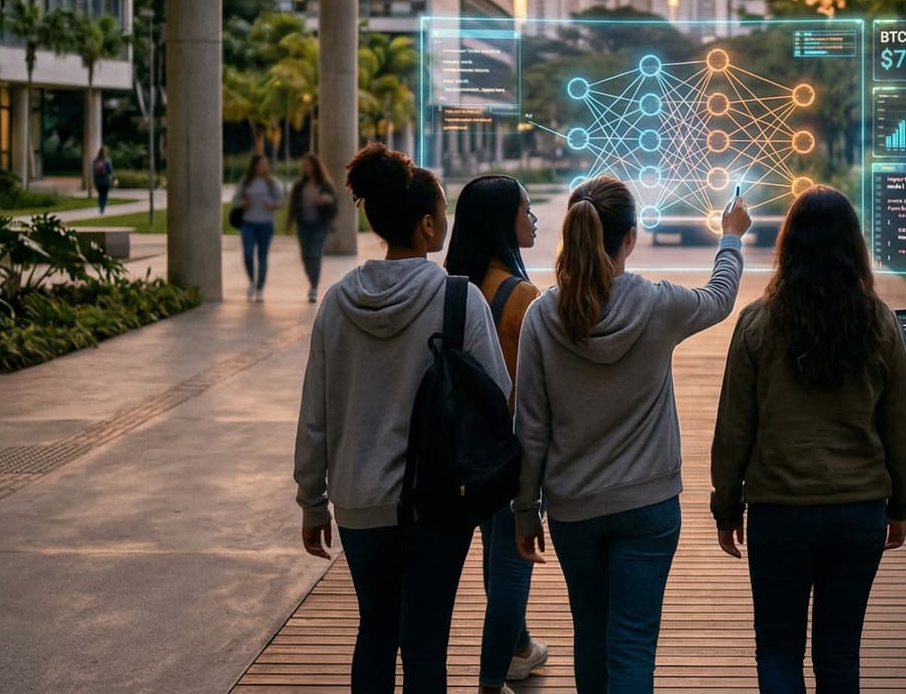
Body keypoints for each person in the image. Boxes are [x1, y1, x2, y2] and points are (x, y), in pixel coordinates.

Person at [513, 177, 750, 694]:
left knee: (590, 637)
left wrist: (525, 510)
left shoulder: (542, 316)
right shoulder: (657, 303)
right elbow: (720, 297)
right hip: (649, 505)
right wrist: (731, 236)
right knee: (633, 645)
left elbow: (530, 427)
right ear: (630, 238)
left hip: (574, 508)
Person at [294, 142, 511, 694]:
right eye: (442, 212)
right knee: (425, 646)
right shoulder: (459, 300)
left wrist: (312, 500)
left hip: (358, 500)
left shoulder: (338, 301)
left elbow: (316, 409)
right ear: (426, 225)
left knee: (374, 631)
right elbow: (498, 397)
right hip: (437, 503)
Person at [709, 186, 906, 694]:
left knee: (778, 648)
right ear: (854, 245)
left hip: (779, 509)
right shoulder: (880, 322)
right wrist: (900, 503)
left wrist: (727, 506)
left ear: (789, 244)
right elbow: (899, 424)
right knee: (840, 651)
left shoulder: (758, 322)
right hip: (859, 508)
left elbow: (734, 427)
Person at [444, 174, 549, 692]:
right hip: (511, 451)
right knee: (511, 566)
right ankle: (492, 679)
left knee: (496, 553)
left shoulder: (451, 289)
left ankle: (520, 646)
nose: (534, 219)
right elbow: (539, 385)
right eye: (526, 211)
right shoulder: (523, 296)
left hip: (462, 448)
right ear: (502, 222)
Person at [287, 153, 339, 304]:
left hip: (320, 224)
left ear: (315, 166)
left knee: (315, 255)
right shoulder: (299, 186)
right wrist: (289, 223)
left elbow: (334, 204)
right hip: (303, 224)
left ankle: (314, 287)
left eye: (307, 165)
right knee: (305, 256)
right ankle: (312, 280)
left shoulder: (326, 185)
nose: (305, 168)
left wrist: (326, 201)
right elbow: (293, 205)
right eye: (303, 166)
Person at [234, 154, 285, 303]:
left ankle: (260, 288)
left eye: (265, 164)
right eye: (261, 163)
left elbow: (280, 201)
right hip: (248, 223)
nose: (264, 166)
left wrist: (272, 205)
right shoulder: (245, 182)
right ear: (254, 165)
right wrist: (244, 203)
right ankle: (252, 281)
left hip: (266, 224)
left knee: (262, 257)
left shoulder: (272, 183)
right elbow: (236, 201)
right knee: (248, 254)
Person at [90, 147, 114, 213]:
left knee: (100, 194)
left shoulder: (95, 161)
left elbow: (94, 171)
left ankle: (101, 206)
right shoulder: (107, 160)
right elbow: (110, 171)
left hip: (98, 180)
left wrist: (94, 181)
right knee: (105, 194)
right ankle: (102, 207)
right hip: (105, 180)